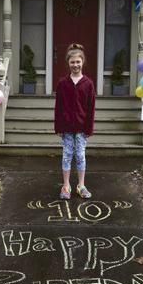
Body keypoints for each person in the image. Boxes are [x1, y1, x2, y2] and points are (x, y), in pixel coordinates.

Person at [54, 43, 95, 200]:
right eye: (72, 62)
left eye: (78, 62)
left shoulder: (88, 84)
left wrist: (89, 128)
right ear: (68, 63)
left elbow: (91, 109)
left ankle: (81, 185)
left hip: (81, 128)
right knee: (66, 155)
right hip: (66, 127)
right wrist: (58, 127)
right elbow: (58, 107)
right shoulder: (63, 83)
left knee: (80, 155)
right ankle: (66, 186)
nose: (75, 65)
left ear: (82, 62)